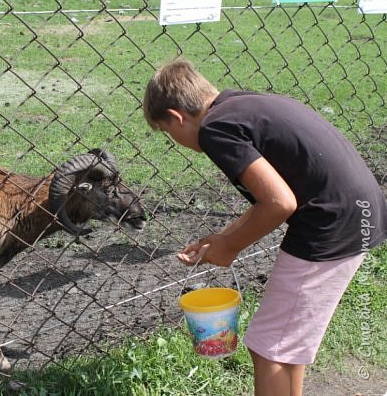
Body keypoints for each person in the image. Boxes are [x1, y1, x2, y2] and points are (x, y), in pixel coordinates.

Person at [142, 57, 386, 395]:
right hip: (358, 212)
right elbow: (269, 199)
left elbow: (280, 203)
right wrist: (223, 237)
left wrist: (230, 248)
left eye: (170, 133)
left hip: (329, 224)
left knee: (267, 345)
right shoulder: (241, 105)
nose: (176, 139)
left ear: (175, 117)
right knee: (285, 343)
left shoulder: (215, 128)